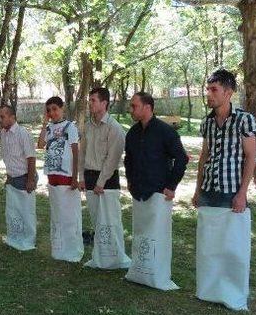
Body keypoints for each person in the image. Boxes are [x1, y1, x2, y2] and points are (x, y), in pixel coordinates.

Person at [191, 69, 256, 311]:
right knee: (209, 244)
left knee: (232, 246)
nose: (209, 94)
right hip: (209, 190)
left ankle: (233, 293)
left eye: (214, 89)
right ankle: (209, 290)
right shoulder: (207, 122)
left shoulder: (245, 120)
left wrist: (242, 193)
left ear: (229, 92)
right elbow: (204, 156)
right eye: (208, 89)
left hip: (231, 192)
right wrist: (198, 190)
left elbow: (251, 157)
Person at [123, 92, 189, 290]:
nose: (131, 109)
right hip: (138, 191)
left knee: (157, 236)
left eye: (134, 106)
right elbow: (129, 160)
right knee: (141, 234)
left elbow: (182, 158)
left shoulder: (165, 131)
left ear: (147, 107)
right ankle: (140, 271)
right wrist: (130, 181)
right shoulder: (132, 133)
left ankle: (157, 275)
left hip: (159, 193)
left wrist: (171, 186)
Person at [79, 87, 130, 269]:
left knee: (111, 221)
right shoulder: (88, 126)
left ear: (104, 103)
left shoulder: (114, 128)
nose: (90, 103)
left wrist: (101, 183)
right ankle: (100, 257)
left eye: (93, 100)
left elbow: (112, 159)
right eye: (90, 100)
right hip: (90, 177)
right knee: (97, 220)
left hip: (107, 181)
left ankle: (116, 258)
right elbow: (82, 152)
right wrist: (81, 177)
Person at [37, 96, 83, 262]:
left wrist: (75, 177)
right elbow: (41, 145)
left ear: (62, 108)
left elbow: (76, 152)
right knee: (57, 214)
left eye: (55, 109)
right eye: (48, 110)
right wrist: (44, 123)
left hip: (66, 176)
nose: (52, 113)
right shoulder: (49, 128)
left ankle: (71, 248)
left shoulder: (70, 127)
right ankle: (59, 248)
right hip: (52, 176)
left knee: (69, 215)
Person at [0, 105, 38, 251]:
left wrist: (30, 179)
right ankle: (15, 236)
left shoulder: (22, 133)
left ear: (12, 117)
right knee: (13, 210)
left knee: (26, 211)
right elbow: (7, 156)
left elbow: (31, 158)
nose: (0, 120)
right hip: (12, 177)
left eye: (2, 117)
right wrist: (8, 176)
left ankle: (28, 240)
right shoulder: (3, 133)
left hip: (24, 177)